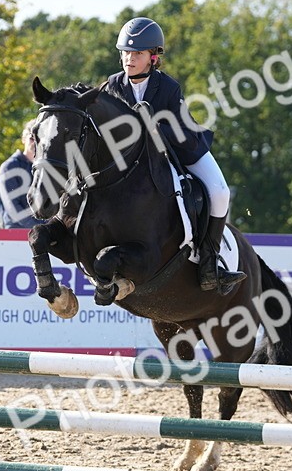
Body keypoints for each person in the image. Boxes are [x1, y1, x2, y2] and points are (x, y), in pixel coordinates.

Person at [101, 17, 246, 294]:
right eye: (126, 52)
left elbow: (183, 132)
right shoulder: (112, 86)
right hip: (133, 163)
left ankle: (209, 260)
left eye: (137, 54)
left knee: (219, 191)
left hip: (180, 148)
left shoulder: (168, 88)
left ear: (153, 58)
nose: (129, 59)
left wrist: (152, 122)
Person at [0, 120, 46, 229]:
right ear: (23, 139)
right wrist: (40, 228)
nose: (35, 143)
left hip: (43, 233)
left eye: (39, 139)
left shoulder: (46, 168)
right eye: (32, 138)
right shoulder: (9, 167)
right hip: (15, 234)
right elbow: (13, 209)